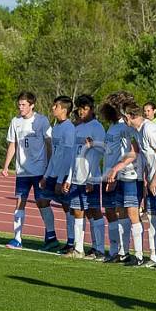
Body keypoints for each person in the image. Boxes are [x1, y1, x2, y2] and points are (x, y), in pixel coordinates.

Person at [124, 101, 156, 269]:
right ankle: (154, 255)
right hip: (154, 179)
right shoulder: (139, 131)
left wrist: (155, 178)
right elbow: (149, 159)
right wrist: (148, 178)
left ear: (130, 116)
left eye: (124, 116)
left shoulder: (150, 129)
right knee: (153, 218)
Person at [1, 92, 56, 250]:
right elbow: (13, 144)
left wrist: (49, 166)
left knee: (43, 203)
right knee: (20, 202)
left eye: (24, 105)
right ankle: (17, 239)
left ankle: (51, 237)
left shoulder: (42, 120)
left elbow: (49, 143)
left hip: (40, 171)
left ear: (32, 105)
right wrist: (6, 166)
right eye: (19, 104)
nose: (21, 107)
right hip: (22, 171)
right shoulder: (15, 121)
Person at [64, 94, 106, 260]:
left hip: (90, 178)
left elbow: (101, 153)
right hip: (76, 178)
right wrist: (68, 178)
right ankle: (79, 248)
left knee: (94, 211)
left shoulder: (97, 127)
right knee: (77, 211)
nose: (82, 112)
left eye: (85, 108)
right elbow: (74, 156)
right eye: (80, 108)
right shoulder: (77, 128)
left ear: (91, 109)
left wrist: (91, 178)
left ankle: (99, 249)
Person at [100, 93, 139, 263]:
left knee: (125, 212)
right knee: (111, 212)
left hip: (120, 175)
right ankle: (116, 250)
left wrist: (115, 174)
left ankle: (129, 252)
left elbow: (128, 152)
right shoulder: (113, 126)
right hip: (108, 173)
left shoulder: (125, 127)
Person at [42, 96, 76, 252]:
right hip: (53, 174)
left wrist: (61, 180)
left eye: (56, 106)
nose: (53, 108)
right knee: (42, 200)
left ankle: (71, 243)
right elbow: (55, 155)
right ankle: (51, 237)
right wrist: (46, 175)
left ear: (64, 109)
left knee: (68, 208)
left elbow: (68, 157)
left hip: (62, 177)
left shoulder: (69, 129)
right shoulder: (56, 127)